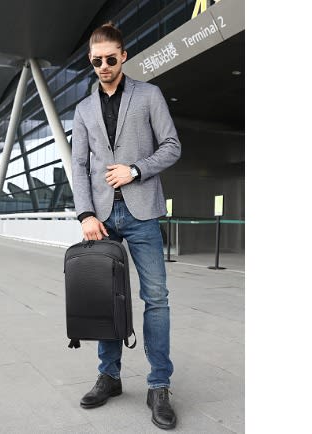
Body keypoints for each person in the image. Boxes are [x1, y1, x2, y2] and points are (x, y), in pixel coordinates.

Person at [71, 21, 181, 430]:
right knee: (105, 299)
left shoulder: (149, 95)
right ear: (91, 62)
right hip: (101, 219)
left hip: (143, 213)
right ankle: (110, 376)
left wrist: (134, 169)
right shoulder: (83, 109)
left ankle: (159, 385)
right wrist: (85, 214)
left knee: (156, 298)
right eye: (96, 61)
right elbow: (79, 165)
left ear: (124, 56)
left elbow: (172, 146)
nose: (104, 66)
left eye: (110, 59)